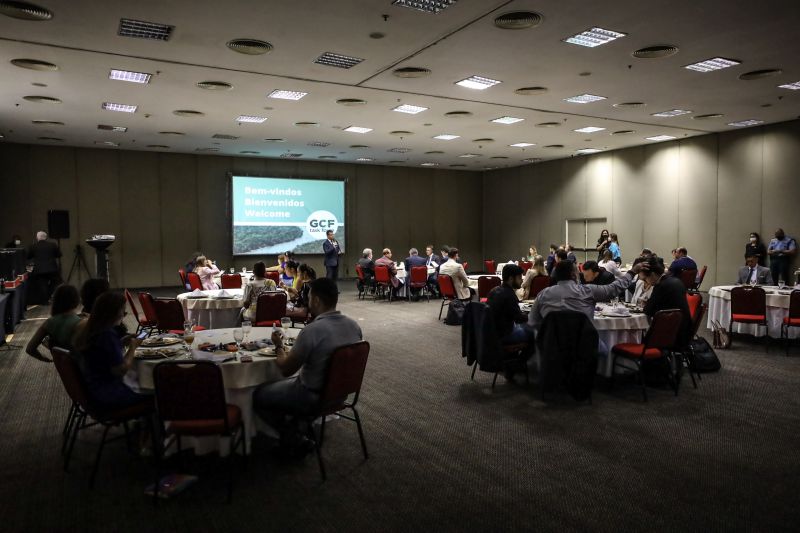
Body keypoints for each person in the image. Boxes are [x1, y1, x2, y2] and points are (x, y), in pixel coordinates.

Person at [252, 277, 362, 453]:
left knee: (258, 395)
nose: (308, 301)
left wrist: (279, 346)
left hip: (311, 395)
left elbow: (286, 369)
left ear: (316, 300)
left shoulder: (312, 331)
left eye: (310, 297)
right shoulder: (354, 326)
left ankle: (291, 436)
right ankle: (299, 426)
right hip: (341, 394)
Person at [529, 260, 642, 353]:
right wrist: (632, 272)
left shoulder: (543, 294)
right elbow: (614, 288)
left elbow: (533, 322)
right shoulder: (588, 291)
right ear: (574, 275)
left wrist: (551, 333)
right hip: (584, 345)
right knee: (605, 351)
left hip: (553, 346)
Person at [73, 292, 152, 410]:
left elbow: (102, 356)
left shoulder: (91, 330)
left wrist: (120, 342)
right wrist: (133, 347)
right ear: (113, 312)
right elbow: (120, 370)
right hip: (109, 394)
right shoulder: (107, 335)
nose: (124, 315)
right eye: (123, 311)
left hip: (93, 389)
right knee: (158, 387)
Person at [638, 255, 693, 348]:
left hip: (668, 337)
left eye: (644, 279)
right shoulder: (676, 281)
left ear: (652, 275)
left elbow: (648, 311)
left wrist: (645, 304)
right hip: (685, 332)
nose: (645, 282)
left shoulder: (660, 286)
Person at [25, 284, 81, 362]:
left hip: (63, 366)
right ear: (77, 301)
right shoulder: (81, 322)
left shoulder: (49, 323)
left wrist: (42, 358)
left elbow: (30, 349)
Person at [487, 264, 536, 348]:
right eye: (519, 278)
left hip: (491, 333)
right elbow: (519, 319)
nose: (521, 281)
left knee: (524, 326)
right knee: (536, 332)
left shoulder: (493, 290)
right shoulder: (509, 294)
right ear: (511, 279)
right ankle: (526, 360)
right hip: (505, 335)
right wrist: (533, 315)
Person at [27, 230, 62, 303]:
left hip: (39, 269)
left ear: (37, 237)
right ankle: (48, 296)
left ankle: (45, 300)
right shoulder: (53, 245)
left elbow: (28, 256)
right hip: (52, 269)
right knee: (56, 282)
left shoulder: (33, 246)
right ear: (45, 237)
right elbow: (59, 255)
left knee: (42, 285)